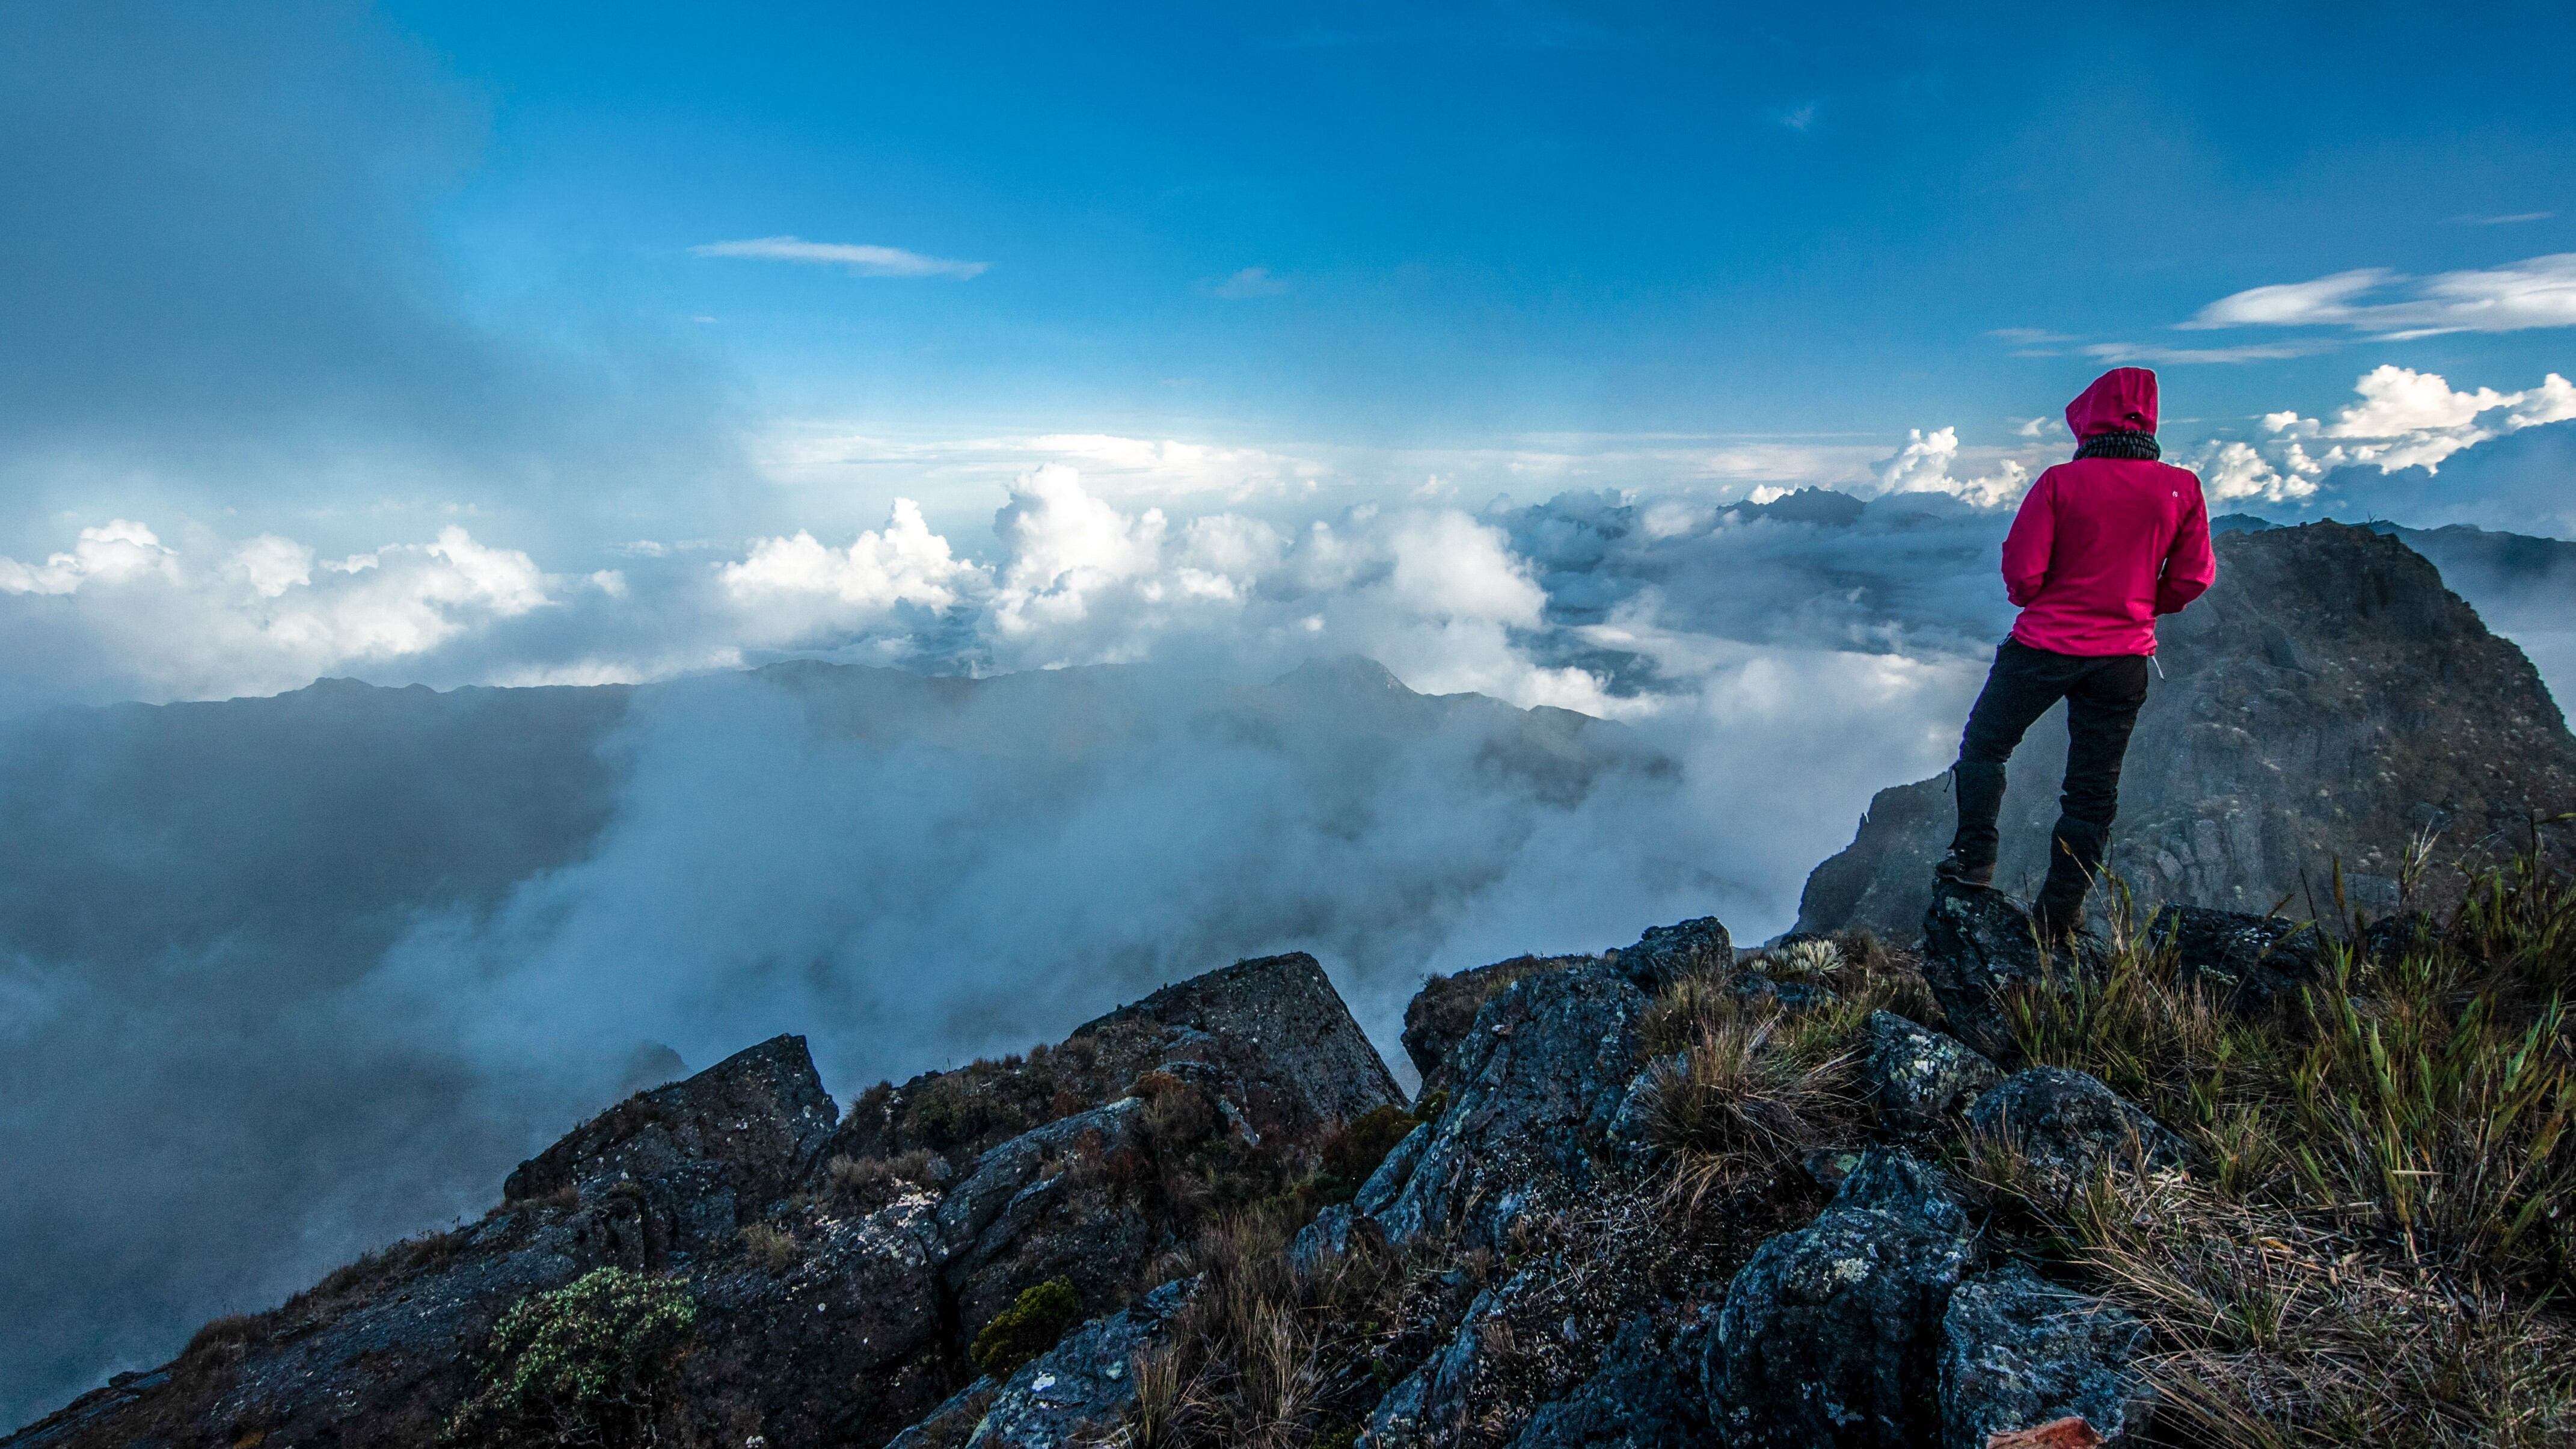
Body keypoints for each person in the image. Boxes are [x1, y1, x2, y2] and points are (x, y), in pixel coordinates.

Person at [1934, 366, 2216, 938]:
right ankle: (2059, 912)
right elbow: (2193, 577)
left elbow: (2023, 573)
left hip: (2042, 647)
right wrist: (2139, 604)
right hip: (2124, 661)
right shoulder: (2181, 488)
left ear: (2090, 419)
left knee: (1986, 745)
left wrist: (2050, 598)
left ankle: (1973, 862)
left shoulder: (2061, 484)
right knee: (2092, 790)